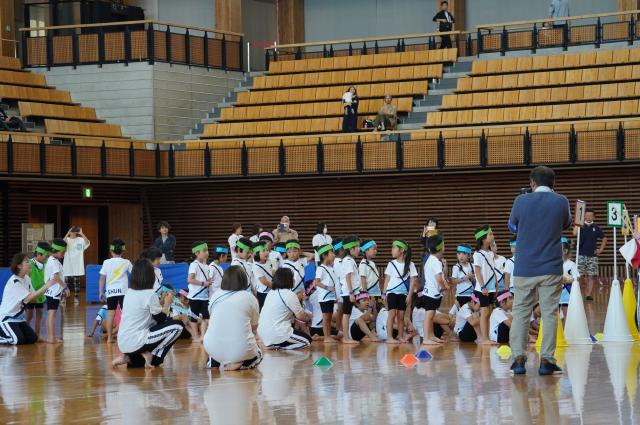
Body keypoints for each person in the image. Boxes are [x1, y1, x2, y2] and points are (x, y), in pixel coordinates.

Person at [508, 165, 571, 376]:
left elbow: (512, 226)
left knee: (521, 313)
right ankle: (546, 360)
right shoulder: (561, 201)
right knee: (549, 313)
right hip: (551, 267)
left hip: (524, 266)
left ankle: (518, 359)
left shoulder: (521, 201)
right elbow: (566, 224)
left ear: (532, 183)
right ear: (553, 184)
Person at [113, 259, 184, 368]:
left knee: (138, 364)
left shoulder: (129, 292)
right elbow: (161, 319)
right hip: (137, 340)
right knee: (178, 326)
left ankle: (129, 357)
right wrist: (167, 303)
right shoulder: (149, 293)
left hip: (123, 342)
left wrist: (161, 301)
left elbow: (146, 310)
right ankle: (155, 357)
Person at [204, 266, 262, 370]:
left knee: (217, 336)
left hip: (212, 347)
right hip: (240, 349)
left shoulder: (215, 295)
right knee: (259, 354)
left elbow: (213, 318)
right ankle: (239, 363)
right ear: (244, 280)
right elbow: (254, 327)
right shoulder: (250, 297)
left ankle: (214, 363)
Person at [0, 253, 56, 345]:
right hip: (7, 318)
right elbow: (29, 298)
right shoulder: (15, 282)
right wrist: (46, 286)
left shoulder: (26, 278)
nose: (30, 263)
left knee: (32, 338)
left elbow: (33, 297)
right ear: (19, 266)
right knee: (17, 340)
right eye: (26, 261)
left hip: (19, 319)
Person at [258, 268, 312, 350]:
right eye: (292, 278)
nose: (294, 280)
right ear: (288, 280)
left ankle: (275, 344)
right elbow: (301, 317)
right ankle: (279, 346)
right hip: (278, 332)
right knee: (307, 341)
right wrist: (310, 316)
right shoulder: (290, 294)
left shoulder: (271, 292)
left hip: (262, 333)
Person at [382, 240, 418, 344]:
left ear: (402, 250)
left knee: (401, 316)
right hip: (392, 292)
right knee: (392, 314)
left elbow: (413, 281)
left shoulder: (410, 265)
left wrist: (409, 295)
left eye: (394, 248)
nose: (392, 250)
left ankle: (401, 336)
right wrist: (383, 294)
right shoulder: (391, 264)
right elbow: (387, 279)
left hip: (403, 294)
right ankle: (389, 337)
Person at [98, 239, 133, 343]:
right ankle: (126, 337)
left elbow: (102, 278)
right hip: (123, 292)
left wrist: (100, 292)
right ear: (123, 250)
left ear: (111, 250)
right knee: (125, 315)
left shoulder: (106, 262)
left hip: (111, 292)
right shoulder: (126, 262)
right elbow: (134, 274)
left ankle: (109, 338)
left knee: (110, 315)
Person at [420, 234, 450, 345]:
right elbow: (438, 278)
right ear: (440, 247)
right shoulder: (436, 262)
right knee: (429, 316)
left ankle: (431, 336)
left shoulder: (431, 259)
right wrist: (444, 287)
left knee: (431, 316)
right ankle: (426, 338)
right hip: (431, 294)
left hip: (432, 293)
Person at [573, 209, 606, 301]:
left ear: (594, 217)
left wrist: (600, 250)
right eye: (586, 215)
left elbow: (604, 238)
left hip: (592, 255)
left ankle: (589, 294)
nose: (588, 217)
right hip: (580, 254)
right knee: (579, 275)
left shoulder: (596, 227)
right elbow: (574, 233)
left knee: (591, 275)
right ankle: (581, 291)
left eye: (590, 216)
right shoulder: (580, 225)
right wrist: (578, 223)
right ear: (584, 216)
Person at [473, 225, 496, 345]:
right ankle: (484, 338)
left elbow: (492, 269)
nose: (493, 236)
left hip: (491, 287)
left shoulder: (490, 253)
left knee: (488, 313)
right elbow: (477, 271)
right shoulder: (477, 254)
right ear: (483, 238)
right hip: (483, 288)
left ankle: (487, 337)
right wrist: (482, 286)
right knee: (484, 312)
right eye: (490, 234)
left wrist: (496, 283)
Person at [313, 244, 339, 343]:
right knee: (326, 316)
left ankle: (328, 336)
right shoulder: (321, 268)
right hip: (324, 297)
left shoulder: (331, 268)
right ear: (324, 255)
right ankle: (326, 337)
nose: (334, 255)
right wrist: (327, 288)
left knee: (329, 316)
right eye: (332, 253)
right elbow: (316, 282)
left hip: (331, 296)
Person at [43, 238, 67, 343]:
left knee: (50, 314)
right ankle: (51, 337)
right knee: (52, 315)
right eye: (63, 252)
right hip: (53, 292)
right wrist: (65, 287)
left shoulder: (53, 260)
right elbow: (56, 277)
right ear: (57, 251)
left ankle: (50, 336)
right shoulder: (53, 262)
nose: (64, 254)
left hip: (51, 291)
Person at [25, 241, 51, 337]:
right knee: (29, 315)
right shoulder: (30, 264)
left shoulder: (46, 264)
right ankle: (26, 334)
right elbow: (25, 280)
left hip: (40, 295)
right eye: (46, 256)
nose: (47, 258)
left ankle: (37, 335)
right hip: (31, 294)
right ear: (39, 254)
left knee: (39, 316)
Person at [187, 241, 212, 341]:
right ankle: (196, 336)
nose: (207, 252)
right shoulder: (194, 265)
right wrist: (203, 283)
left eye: (207, 250)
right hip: (195, 296)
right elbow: (190, 280)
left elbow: (205, 280)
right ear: (197, 253)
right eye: (204, 250)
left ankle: (203, 336)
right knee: (194, 317)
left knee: (206, 316)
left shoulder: (207, 266)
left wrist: (208, 281)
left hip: (205, 296)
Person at [339, 237, 361, 344]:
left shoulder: (350, 260)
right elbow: (348, 277)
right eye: (357, 247)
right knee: (346, 314)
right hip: (348, 292)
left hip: (350, 291)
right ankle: (346, 338)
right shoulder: (348, 261)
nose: (359, 249)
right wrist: (351, 293)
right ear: (351, 249)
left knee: (348, 313)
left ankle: (347, 337)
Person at [63, 226, 90, 305]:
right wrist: (67, 233)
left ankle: (76, 298)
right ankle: (63, 298)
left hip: (77, 264)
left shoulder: (81, 239)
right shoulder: (67, 239)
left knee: (77, 282)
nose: (73, 232)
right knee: (65, 282)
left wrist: (81, 233)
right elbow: (62, 244)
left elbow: (87, 242)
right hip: (68, 264)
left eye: (75, 230)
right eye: (72, 230)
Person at [450, 244, 475, 309]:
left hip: (472, 294)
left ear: (469, 255)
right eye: (459, 254)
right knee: (462, 312)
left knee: (473, 311)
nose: (461, 256)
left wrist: (472, 278)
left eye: (464, 254)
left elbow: (476, 281)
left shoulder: (473, 266)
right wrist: (465, 277)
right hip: (461, 295)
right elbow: (453, 281)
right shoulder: (456, 267)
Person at [560, 237, 579, 319]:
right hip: (556, 292)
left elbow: (576, 278)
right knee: (556, 315)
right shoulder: (553, 264)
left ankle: (567, 326)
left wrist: (568, 280)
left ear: (565, 251)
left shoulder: (571, 264)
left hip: (567, 292)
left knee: (567, 314)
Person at [253, 242, 275, 310]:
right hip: (263, 293)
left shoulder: (268, 261)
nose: (266, 252)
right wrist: (277, 286)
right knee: (264, 310)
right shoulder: (256, 266)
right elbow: (264, 282)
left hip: (272, 290)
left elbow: (272, 272)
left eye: (267, 250)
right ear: (257, 253)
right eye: (263, 251)